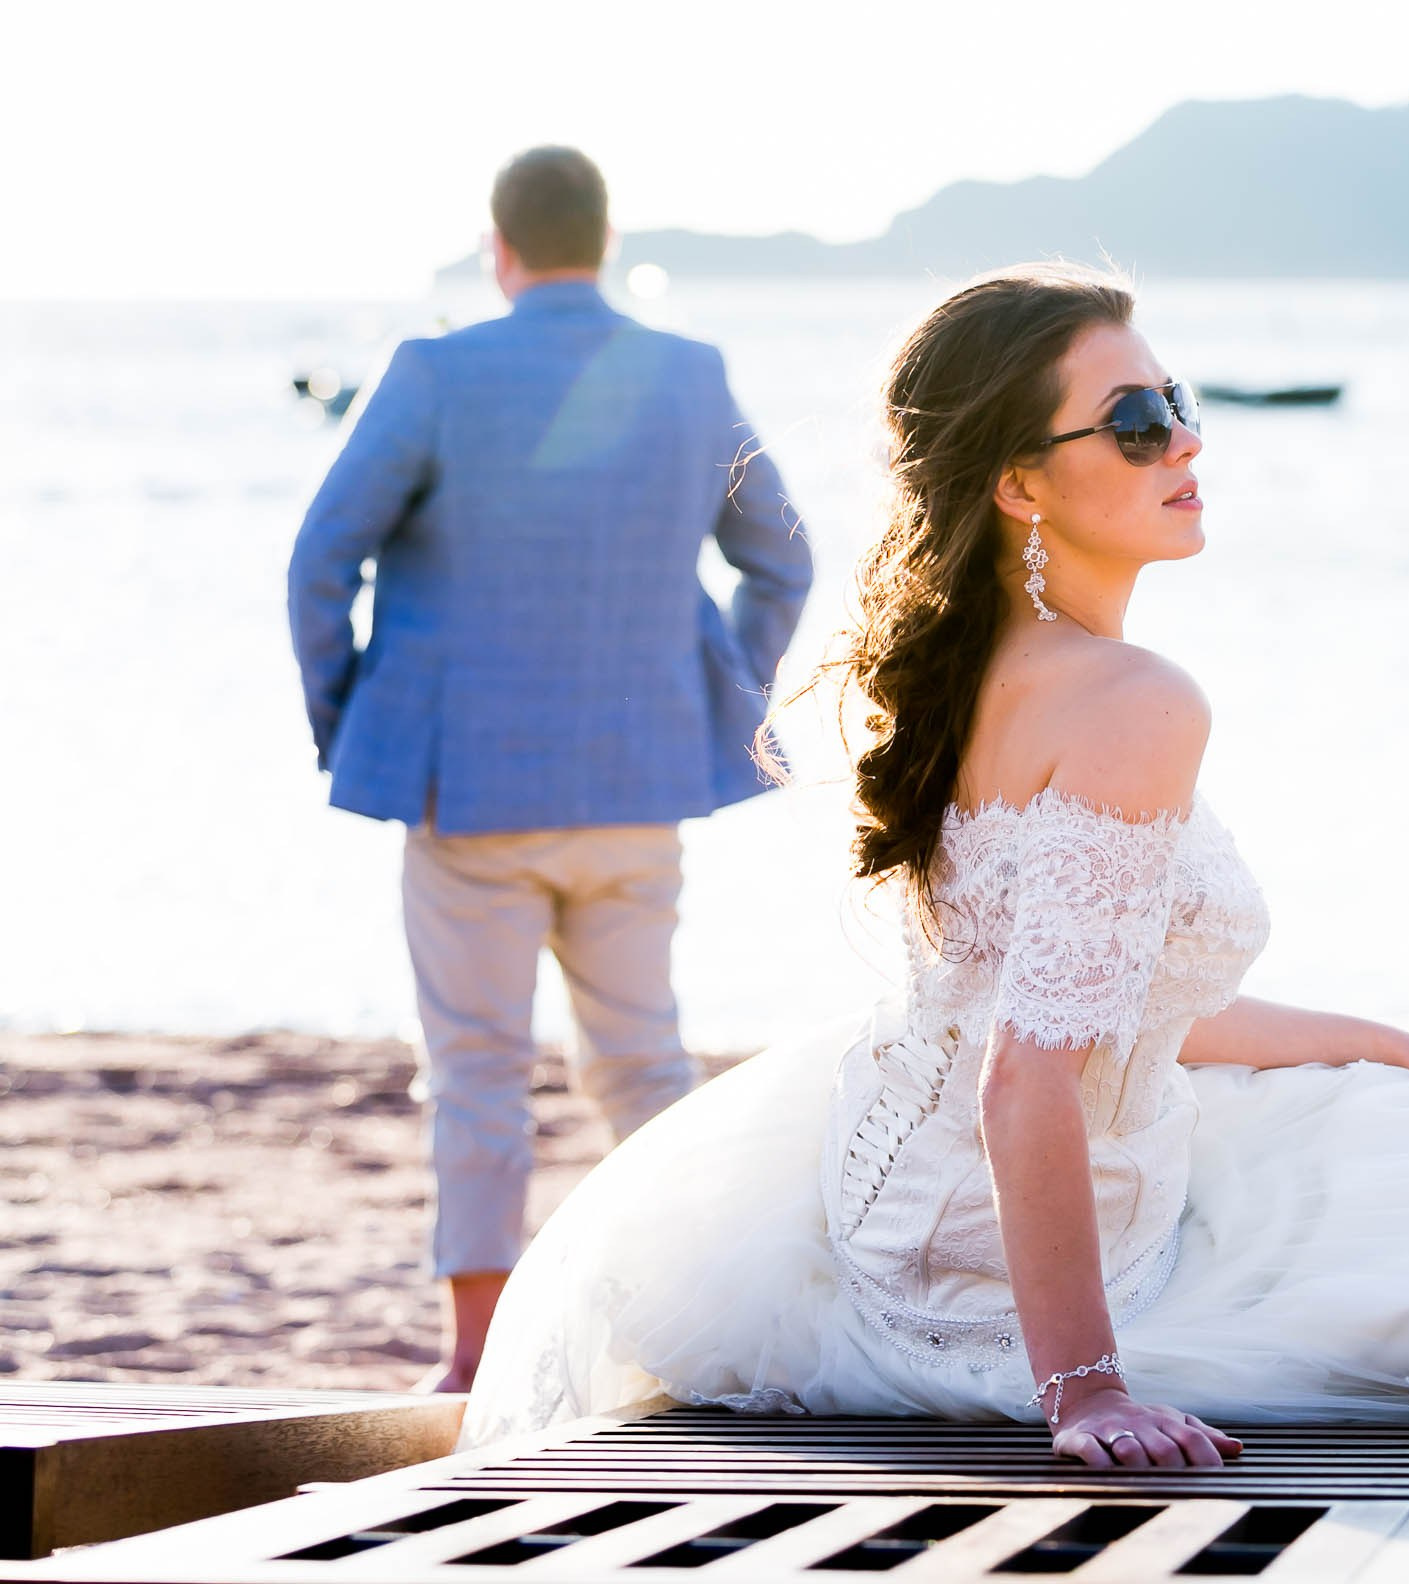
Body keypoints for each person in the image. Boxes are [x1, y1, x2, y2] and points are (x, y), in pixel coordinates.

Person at [456, 265, 1409, 1581]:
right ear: (1021, 483)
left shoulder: (981, 670)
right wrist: (1083, 1385)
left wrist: (1391, 1041)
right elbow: (1035, 1072)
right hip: (1011, 1243)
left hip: (902, 1187)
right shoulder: (1135, 704)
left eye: (1180, 405)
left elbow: (1100, 1011)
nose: (1187, 443)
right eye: (1135, 422)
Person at [285, 147, 813, 1394]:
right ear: (606, 239)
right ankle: (696, 1336)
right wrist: (710, 696)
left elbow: (319, 563)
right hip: (639, 786)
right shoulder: (691, 376)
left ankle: (473, 1357)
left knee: (476, 1070)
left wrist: (354, 721)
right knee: (648, 1066)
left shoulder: (432, 371)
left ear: (498, 247)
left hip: (466, 793)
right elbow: (782, 561)